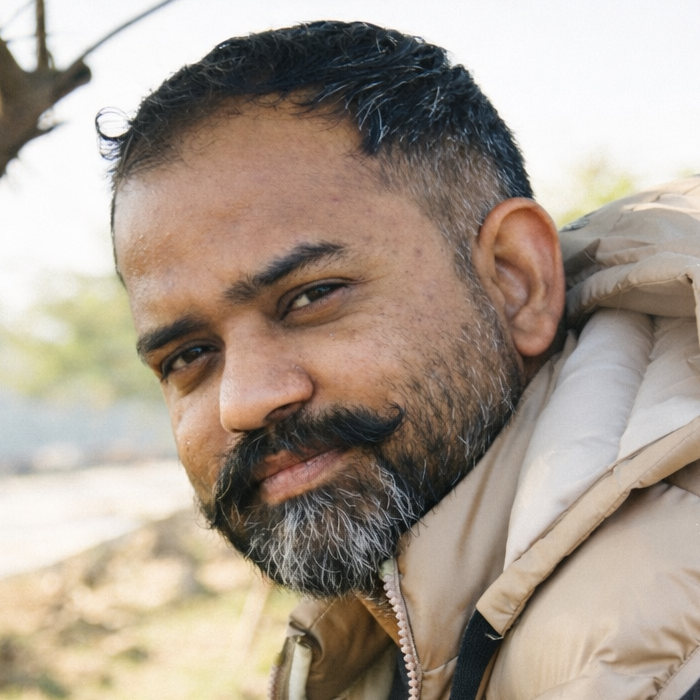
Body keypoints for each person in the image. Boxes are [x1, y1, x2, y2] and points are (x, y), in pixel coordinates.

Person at [100, 21, 700, 700]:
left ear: (516, 280)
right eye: (189, 355)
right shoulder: (368, 636)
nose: (243, 402)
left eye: (311, 297)